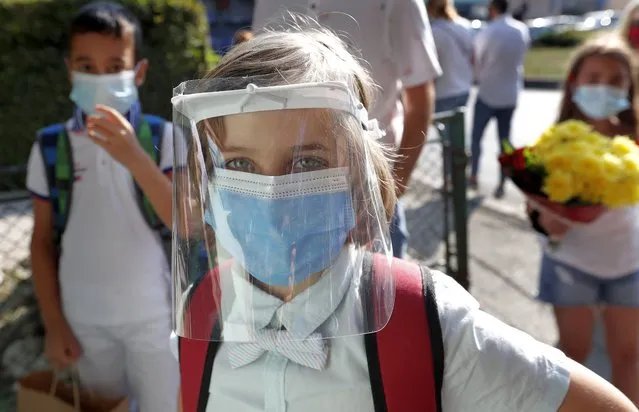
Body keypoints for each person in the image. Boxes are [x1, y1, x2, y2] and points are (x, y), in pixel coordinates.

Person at [171, 23, 637, 412]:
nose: (272, 192)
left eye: (307, 162)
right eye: (239, 165)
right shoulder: (201, 308)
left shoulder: (430, 322)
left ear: (359, 181)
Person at [26, 2, 179, 411]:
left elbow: (183, 222)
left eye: (115, 66)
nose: (100, 78)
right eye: (86, 67)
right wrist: (55, 325)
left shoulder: (162, 138)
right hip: (85, 322)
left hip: (157, 317)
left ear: (139, 72)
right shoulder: (49, 147)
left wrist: (135, 157)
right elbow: (41, 242)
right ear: (69, 71)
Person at [252, 0, 442, 259]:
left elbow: (419, 101)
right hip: (282, 197)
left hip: (366, 192)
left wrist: (387, 197)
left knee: (382, 295)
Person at [528, 34, 639, 406]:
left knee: (630, 355)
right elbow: (535, 213)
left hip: (629, 265)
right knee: (575, 356)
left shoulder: (635, 139)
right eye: (593, 77)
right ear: (574, 82)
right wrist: (548, 221)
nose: (602, 87)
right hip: (571, 266)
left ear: (629, 86)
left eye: (614, 80)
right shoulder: (553, 143)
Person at [470, 0, 529, 198]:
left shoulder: (488, 31)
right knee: (505, 141)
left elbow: (477, 60)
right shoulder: (521, 30)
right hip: (510, 93)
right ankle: (503, 182)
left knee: (476, 137)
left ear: (493, 9)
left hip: (488, 92)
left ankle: (474, 176)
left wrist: (477, 77)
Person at [427, 0, 474, 113]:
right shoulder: (465, 26)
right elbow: (473, 57)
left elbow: (431, 68)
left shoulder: (433, 32)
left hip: (443, 91)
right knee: (458, 129)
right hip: (464, 89)